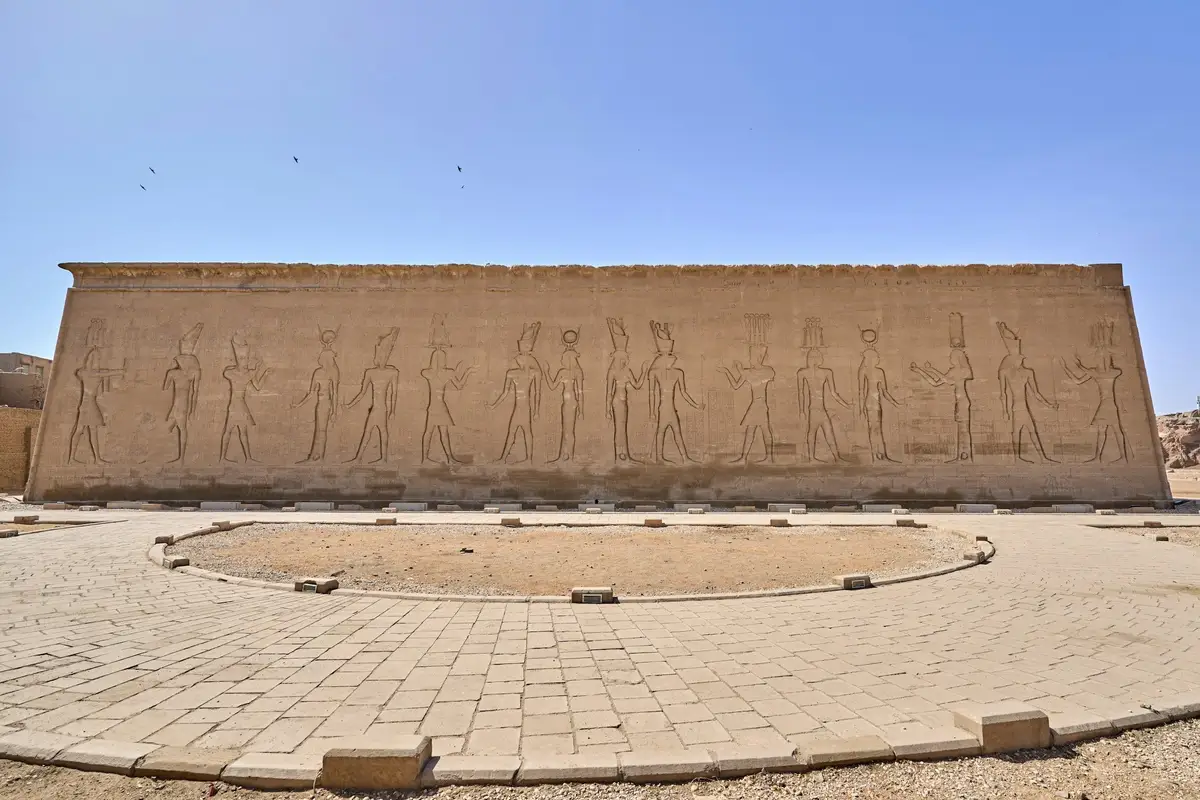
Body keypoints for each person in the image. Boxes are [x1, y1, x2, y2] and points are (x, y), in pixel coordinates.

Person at [720, 343, 775, 463]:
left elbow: (756, 377)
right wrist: (727, 372)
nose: (749, 360)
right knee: (755, 431)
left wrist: (741, 370)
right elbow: (735, 386)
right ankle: (748, 458)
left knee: (762, 430)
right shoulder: (748, 372)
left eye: (751, 357)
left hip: (760, 404)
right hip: (756, 404)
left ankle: (766, 458)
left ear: (759, 358)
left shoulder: (767, 371)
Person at [796, 349, 851, 462]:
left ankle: (836, 458)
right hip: (813, 409)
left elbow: (833, 393)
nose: (814, 359)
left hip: (820, 409)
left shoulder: (826, 372)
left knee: (827, 433)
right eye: (812, 357)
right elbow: (801, 393)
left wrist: (846, 405)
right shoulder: (802, 373)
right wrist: (801, 411)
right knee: (813, 433)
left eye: (815, 357)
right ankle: (812, 458)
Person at [421, 348, 474, 463]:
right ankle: (448, 458)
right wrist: (467, 373)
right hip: (440, 407)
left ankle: (427, 458)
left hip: (433, 407)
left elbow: (425, 372)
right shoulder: (448, 373)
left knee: (429, 432)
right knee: (442, 434)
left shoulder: (428, 373)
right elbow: (459, 386)